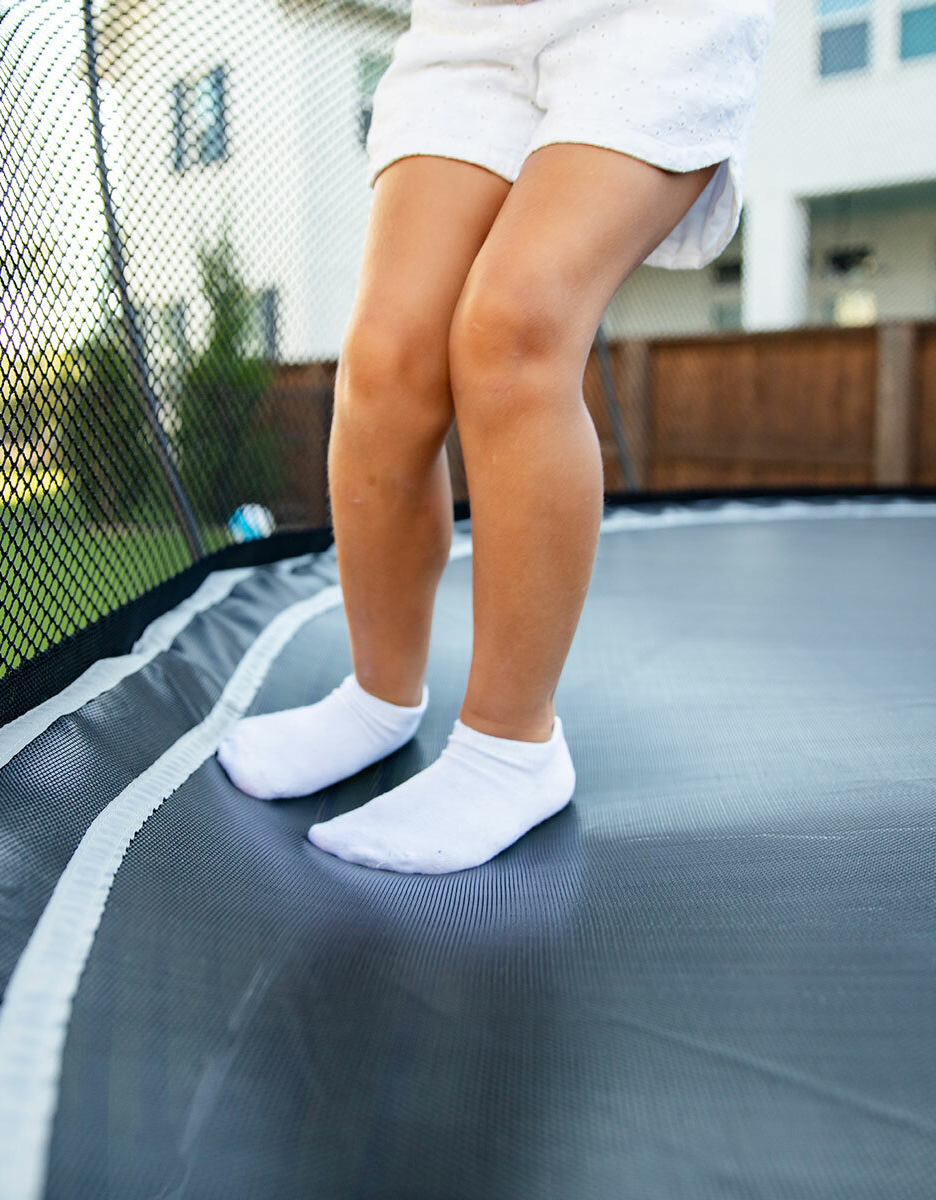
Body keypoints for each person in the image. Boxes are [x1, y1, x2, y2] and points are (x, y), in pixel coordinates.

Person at [217, 0, 774, 873]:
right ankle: (377, 700)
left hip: (651, 17)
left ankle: (510, 751)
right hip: (476, 26)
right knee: (388, 360)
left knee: (511, 330)